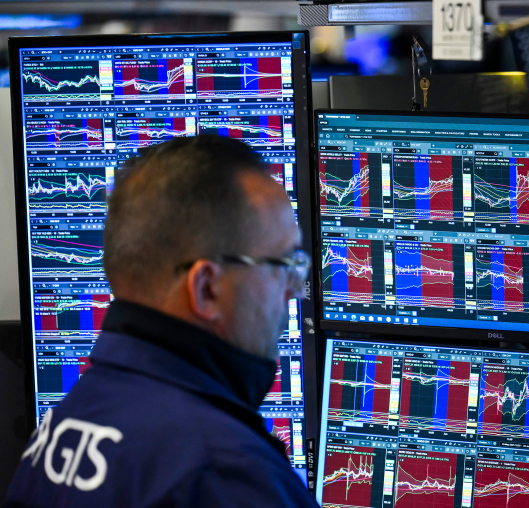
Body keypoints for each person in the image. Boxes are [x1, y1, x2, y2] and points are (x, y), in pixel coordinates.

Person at [4, 136, 319, 507]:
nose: (295, 292)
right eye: (284, 266)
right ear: (207, 289)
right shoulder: (224, 473)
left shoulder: (67, 423)